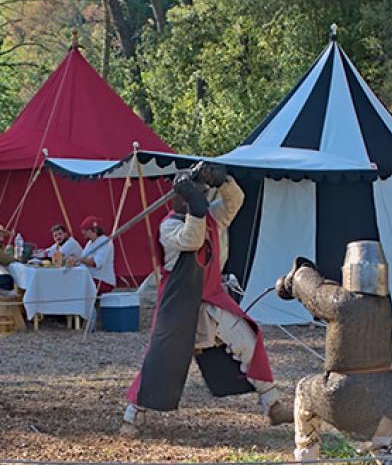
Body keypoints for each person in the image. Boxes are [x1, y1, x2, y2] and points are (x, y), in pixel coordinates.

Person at [121, 162, 292, 437]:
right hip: (178, 307)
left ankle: (273, 405)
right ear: (178, 197)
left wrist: (223, 181)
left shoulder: (211, 217)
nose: (197, 198)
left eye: (199, 193)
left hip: (211, 301)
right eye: (191, 194)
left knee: (249, 340)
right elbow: (192, 240)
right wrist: (196, 205)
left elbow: (236, 201)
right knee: (159, 360)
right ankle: (133, 417)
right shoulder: (168, 228)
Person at [275, 243, 392, 463]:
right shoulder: (385, 305)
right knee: (387, 441)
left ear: (350, 271)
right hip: (385, 394)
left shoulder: (343, 303)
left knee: (304, 391)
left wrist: (298, 273)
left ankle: (307, 454)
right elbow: (329, 291)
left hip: (343, 393)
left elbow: (315, 292)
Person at [72, 216, 116, 294]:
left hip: (102, 280)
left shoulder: (105, 242)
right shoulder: (90, 242)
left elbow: (96, 263)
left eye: (86, 230)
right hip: (90, 279)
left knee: (75, 288)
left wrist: (79, 259)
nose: (83, 232)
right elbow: (83, 261)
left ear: (95, 230)